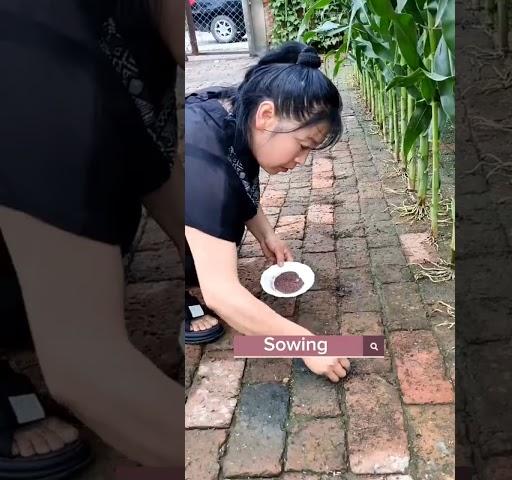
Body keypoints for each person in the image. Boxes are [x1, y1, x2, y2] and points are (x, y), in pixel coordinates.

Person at [0, 0, 184, 477]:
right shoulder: (31, 50)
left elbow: (155, 167)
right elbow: (84, 371)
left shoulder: (131, 27)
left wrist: (214, 278)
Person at [185, 41, 351, 382]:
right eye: (303, 145)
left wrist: (267, 234)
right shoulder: (201, 157)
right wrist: (308, 345)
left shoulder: (235, 111)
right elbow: (221, 294)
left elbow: (239, 177)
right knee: (206, 250)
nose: (302, 160)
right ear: (266, 116)